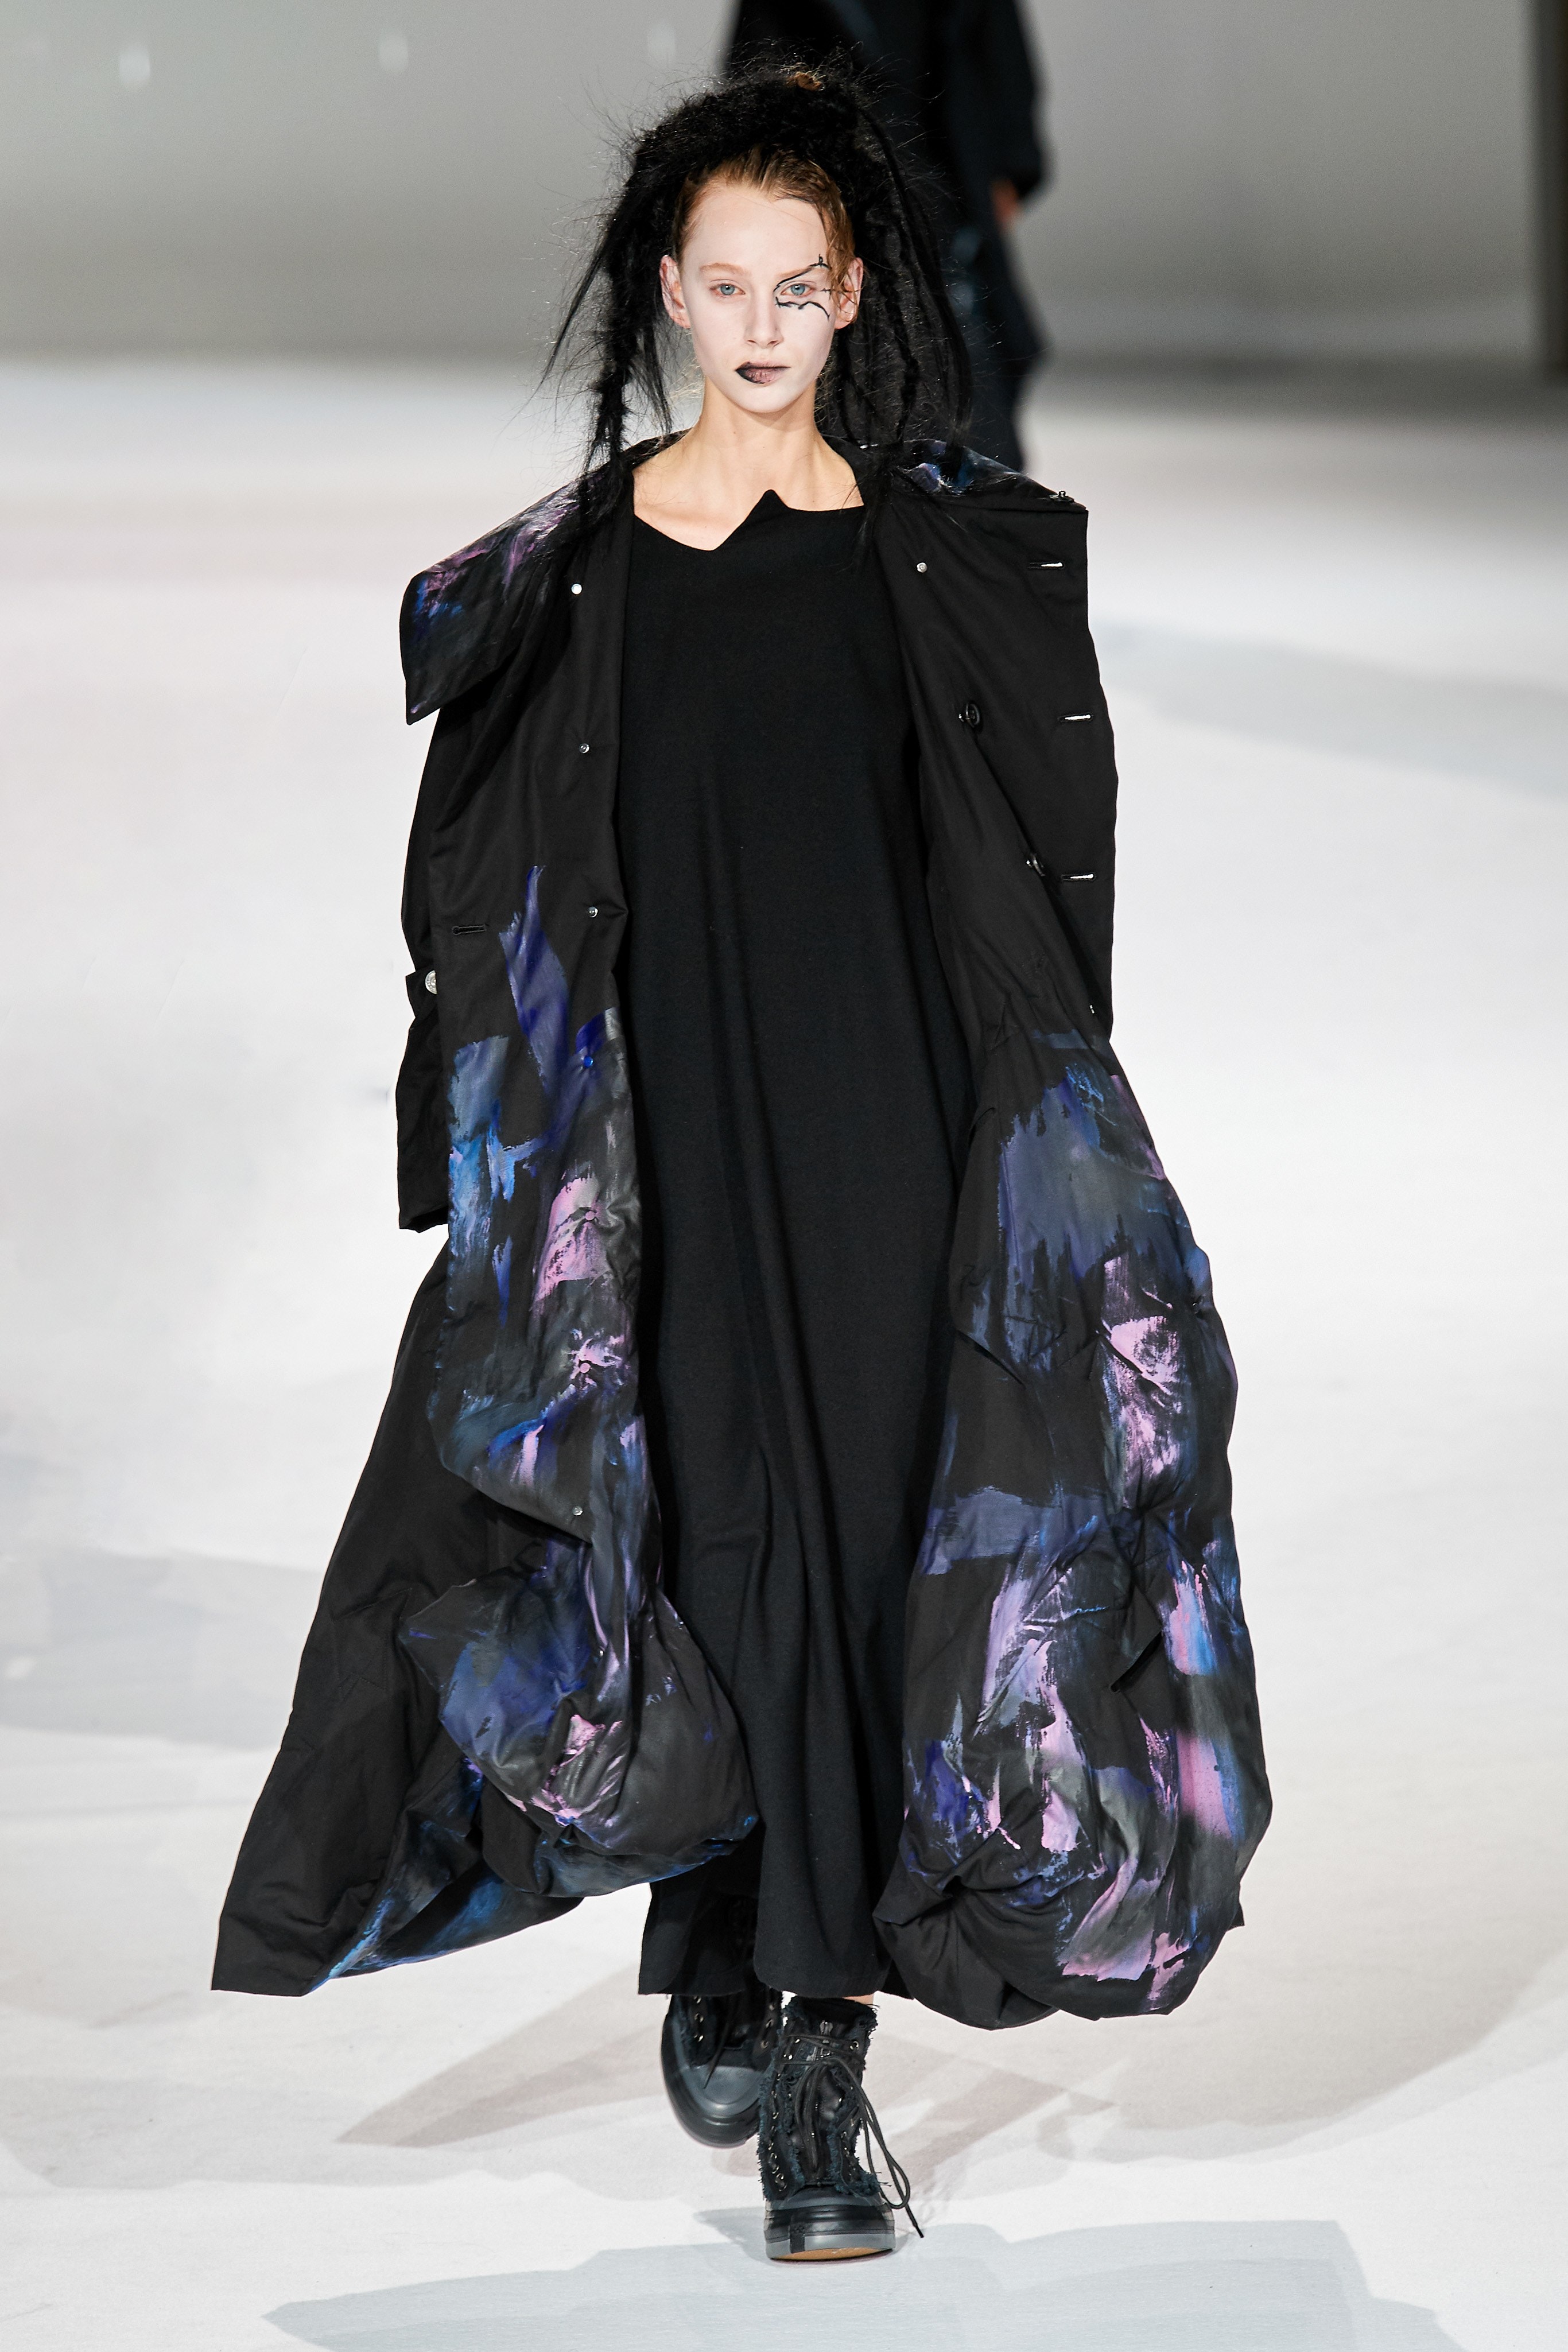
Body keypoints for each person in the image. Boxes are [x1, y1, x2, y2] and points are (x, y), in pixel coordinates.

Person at [213, 61, 1270, 2264]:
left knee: (874, 1535)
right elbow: (471, 888)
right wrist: (466, 1151)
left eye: (803, 287)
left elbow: (1030, 864)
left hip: (890, 1121)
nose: (766, 325)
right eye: (729, 286)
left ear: (853, 293)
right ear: (669, 296)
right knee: (698, 1531)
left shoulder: (939, 556)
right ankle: (723, 1928)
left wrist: (1045, 1136)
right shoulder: (567, 578)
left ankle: (811, 2046)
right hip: (664, 1139)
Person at [726, 1, 1050, 468]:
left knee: (957, 326)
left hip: (940, 173)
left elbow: (1001, 55)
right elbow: (756, 60)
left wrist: (1009, 166)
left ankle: (967, 484)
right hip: (828, 176)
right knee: (834, 327)